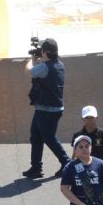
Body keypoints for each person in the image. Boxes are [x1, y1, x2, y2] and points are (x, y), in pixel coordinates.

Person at [22, 37, 70, 179]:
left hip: (47, 110)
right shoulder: (59, 64)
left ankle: (67, 163)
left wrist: (31, 59)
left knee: (49, 138)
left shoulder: (44, 67)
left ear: (45, 52)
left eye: (41, 50)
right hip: (46, 108)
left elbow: (29, 71)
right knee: (36, 136)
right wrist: (38, 57)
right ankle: (36, 167)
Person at [71, 105, 103, 184]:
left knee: (99, 193)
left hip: (99, 168)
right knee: (82, 193)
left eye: (92, 117)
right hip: (82, 170)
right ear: (82, 119)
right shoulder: (77, 135)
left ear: (97, 118)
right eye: (87, 118)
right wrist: (71, 174)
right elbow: (74, 155)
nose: (89, 120)